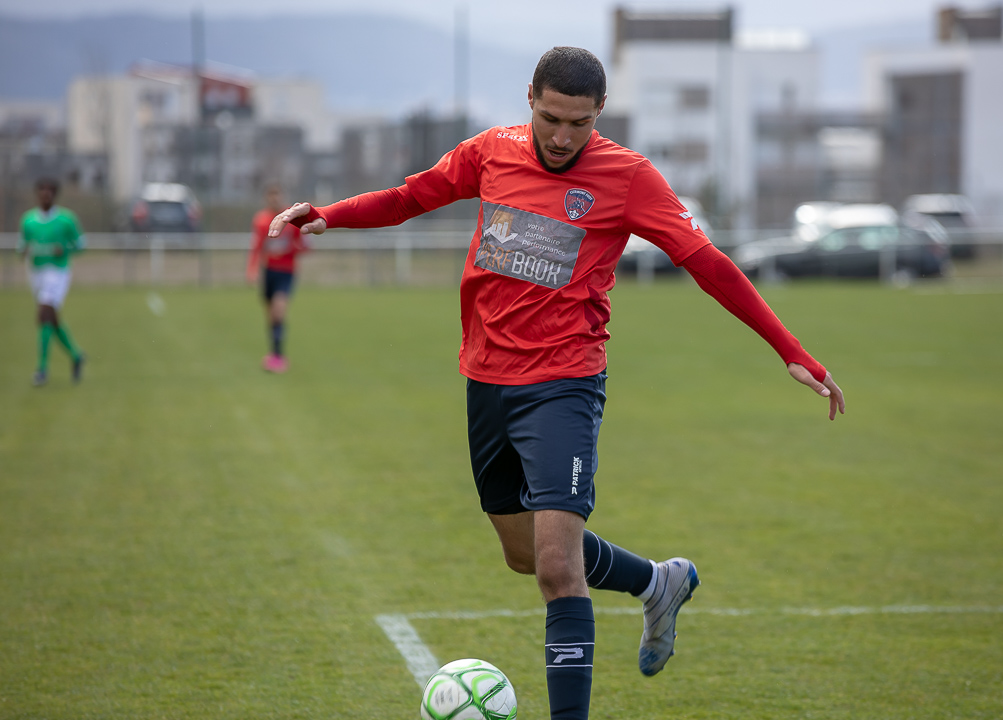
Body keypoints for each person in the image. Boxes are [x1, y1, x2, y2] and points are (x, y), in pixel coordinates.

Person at [270, 47, 845, 720]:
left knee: (557, 569)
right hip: (486, 378)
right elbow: (411, 196)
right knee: (524, 554)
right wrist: (331, 214)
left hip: (564, 382)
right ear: (530, 100)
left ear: (600, 112)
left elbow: (707, 263)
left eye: (579, 123)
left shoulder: (628, 177)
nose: (564, 136)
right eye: (551, 119)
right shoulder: (491, 152)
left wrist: (790, 349)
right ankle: (657, 583)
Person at [18, 177, 86, 387]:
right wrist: (24, 251)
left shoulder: (66, 220)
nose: (45, 196)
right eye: (42, 192)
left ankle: (42, 369)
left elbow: (81, 244)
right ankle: (76, 355)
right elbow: (22, 246)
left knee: (44, 313)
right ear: (38, 195)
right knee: (51, 320)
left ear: (54, 195)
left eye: (49, 192)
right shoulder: (28, 220)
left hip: (57, 272)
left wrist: (64, 249)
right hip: (36, 272)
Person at [247, 184, 309, 373]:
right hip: (269, 271)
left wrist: (290, 249)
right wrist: (252, 269)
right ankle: (274, 353)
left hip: (286, 272)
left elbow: (304, 245)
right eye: (271, 196)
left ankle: (279, 358)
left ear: (282, 197)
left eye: (277, 196)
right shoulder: (261, 220)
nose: (274, 199)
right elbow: (257, 246)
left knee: (278, 311)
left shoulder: (291, 218)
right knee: (271, 316)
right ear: (267, 198)